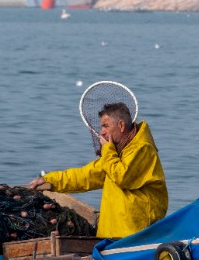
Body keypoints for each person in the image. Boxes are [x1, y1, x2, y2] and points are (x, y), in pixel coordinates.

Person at [29, 102, 168, 238]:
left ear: (121, 125)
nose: (102, 132)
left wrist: (107, 149)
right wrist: (49, 180)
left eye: (105, 126)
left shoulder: (142, 149)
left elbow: (122, 176)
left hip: (136, 236)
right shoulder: (117, 153)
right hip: (111, 237)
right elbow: (85, 176)